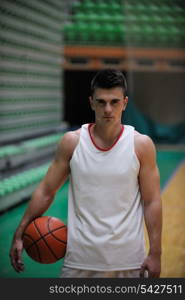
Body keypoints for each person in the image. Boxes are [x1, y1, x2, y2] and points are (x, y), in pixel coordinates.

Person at [10, 69, 162, 278]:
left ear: (125, 103)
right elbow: (46, 191)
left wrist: (156, 253)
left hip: (130, 262)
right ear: (91, 102)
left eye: (114, 102)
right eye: (101, 102)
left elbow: (152, 201)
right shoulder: (72, 142)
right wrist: (20, 233)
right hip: (79, 261)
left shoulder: (141, 145)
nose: (108, 109)